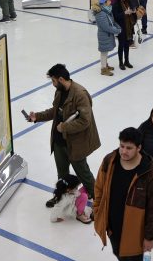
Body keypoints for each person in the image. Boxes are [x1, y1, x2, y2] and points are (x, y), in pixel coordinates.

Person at [93, 127, 153, 261]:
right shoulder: (110, 161)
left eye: (129, 148)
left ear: (139, 148)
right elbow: (99, 188)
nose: (123, 151)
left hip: (134, 233)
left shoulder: (150, 173)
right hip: (112, 226)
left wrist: (149, 237)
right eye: (122, 146)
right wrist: (98, 211)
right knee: (118, 253)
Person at [28, 64, 101, 203]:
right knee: (62, 174)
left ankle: (98, 199)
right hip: (58, 142)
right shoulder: (60, 91)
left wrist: (65, 127)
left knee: (83, 173)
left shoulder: (80, 94)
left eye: (54, 81)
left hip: (75, 143)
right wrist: (37, 116)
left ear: (61, 79)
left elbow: (85, 121)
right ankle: (61, 197)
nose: (53, 84)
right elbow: (55, 111)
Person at [93, 0, 121, 76]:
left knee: (106, 51)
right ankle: (103, 69)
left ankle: (105, 65)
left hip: (108, 35)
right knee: (104, 52)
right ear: (105, 2)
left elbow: (112, 21)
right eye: (109, 0)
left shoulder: (107, 10)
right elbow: (106, 27)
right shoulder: (101, 14)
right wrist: (116, 30)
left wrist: (117, 27)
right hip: (104, 35)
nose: (110, 1)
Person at [113, 0, 136, 70]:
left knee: (127, 45)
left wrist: (133, 11)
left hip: (129, 27)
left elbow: (133, 8)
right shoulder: (116, 4)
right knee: (121, 45)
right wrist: (125, 13)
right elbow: (115, 16)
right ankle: (121, 62)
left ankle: (127, 61)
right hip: (121, 27)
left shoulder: (128, 1)